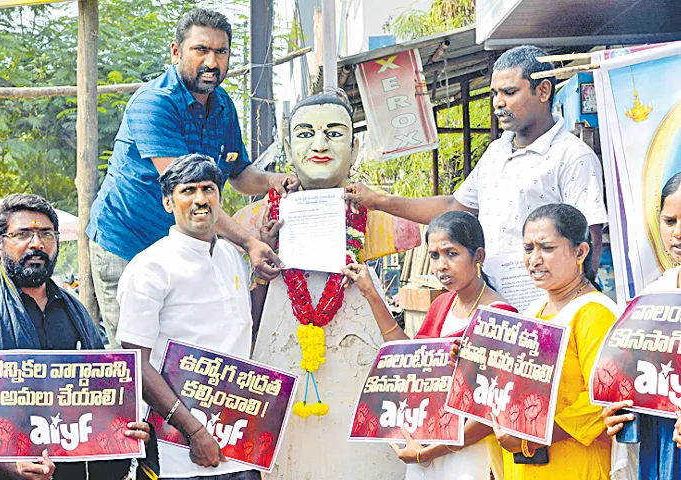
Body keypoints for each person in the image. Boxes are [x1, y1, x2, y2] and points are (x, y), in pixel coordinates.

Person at [231, 92, 420, 479]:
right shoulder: (251, 223)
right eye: (306, 134)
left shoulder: (385, 216)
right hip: (281, 363)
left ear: (354, 146)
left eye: (334, 133)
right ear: (288, 146)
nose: (319, 145)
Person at [87, 8, 299, 348]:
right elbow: (190, 193)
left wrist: (275, 181)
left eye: (221, 51)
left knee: (190, 351)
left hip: (187, 247)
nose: (212, 62)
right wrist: (249, 242)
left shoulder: (223, 106)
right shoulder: (153, 103)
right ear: (176, 52)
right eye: (200, 50)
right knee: (137, 359)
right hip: (128, 241)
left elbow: (240, 174)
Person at [0, 194, 153, 480]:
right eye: (23, 234)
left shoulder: (76, 313)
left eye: (46, 234)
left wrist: (126, 430)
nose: (37, 243)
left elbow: (103, 397)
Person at [344, 45, 608, 273]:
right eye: (495, 94)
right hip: (496, 303)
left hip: (545, 310)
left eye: (509, 92)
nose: (498, 103)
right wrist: (378, 201)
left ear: (543, 91)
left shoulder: (572, 156)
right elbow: (453, 207)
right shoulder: (496, 152)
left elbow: (590, 241)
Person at [116, 154, 278, 479]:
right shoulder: (150, 267)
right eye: (188, 190)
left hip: (240, 442)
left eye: (208, 189)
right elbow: (134, 362)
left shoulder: (231, 255)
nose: (200, 199)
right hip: (181, 454)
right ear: (167, 202)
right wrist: (194, 432)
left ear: (220, 198)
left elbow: (245, 326)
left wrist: (261, 277)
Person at [342, 211, 515, 480]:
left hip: (472, 456)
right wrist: (371, 294)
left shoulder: (500, 317)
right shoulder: (442, 305)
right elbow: (410, 361)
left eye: (451, 253)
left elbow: (489, 416)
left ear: (478, 256)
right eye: (434, 255)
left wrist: (430, 453)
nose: (441, 265)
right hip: (430, 446)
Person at [489, 203, 618, 479]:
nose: (534, 259)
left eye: (547, 248)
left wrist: (532, 438)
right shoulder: (533, 311)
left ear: (580, 252)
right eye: (528, 249)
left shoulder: (595, 313)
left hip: (574, 466)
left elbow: (601, 401)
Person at [602, 172, 681, 480]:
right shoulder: (649, 300)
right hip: (659, 450)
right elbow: (633, 384)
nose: (677, 234)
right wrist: (617, 414)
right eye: (669, 221)